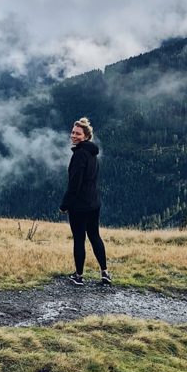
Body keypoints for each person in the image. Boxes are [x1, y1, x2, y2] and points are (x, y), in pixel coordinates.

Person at [59, 117, 111, 286]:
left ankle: (79, 276)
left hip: (79, 205)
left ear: (86, 136)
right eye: (73, 132)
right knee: (95, 236)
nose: (73, 135)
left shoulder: (79, 155)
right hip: (94, 202)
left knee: (79, 239)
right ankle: (105, 273)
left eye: (77, 133)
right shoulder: (92, 153)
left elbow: (75, 184)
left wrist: (65, 204)